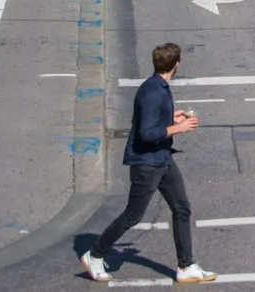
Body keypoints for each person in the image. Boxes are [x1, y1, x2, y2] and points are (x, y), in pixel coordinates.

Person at [81, 43, 216, 285]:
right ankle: (95, 255)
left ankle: (186, 266)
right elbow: (146, 133)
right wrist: (179, 127)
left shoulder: (155, 86)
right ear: (176, 65)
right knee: (132, 216)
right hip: (147, 164)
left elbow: (149, 120)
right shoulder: (154, 92)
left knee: (182, 208)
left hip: (162, 159)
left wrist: (172, 116)